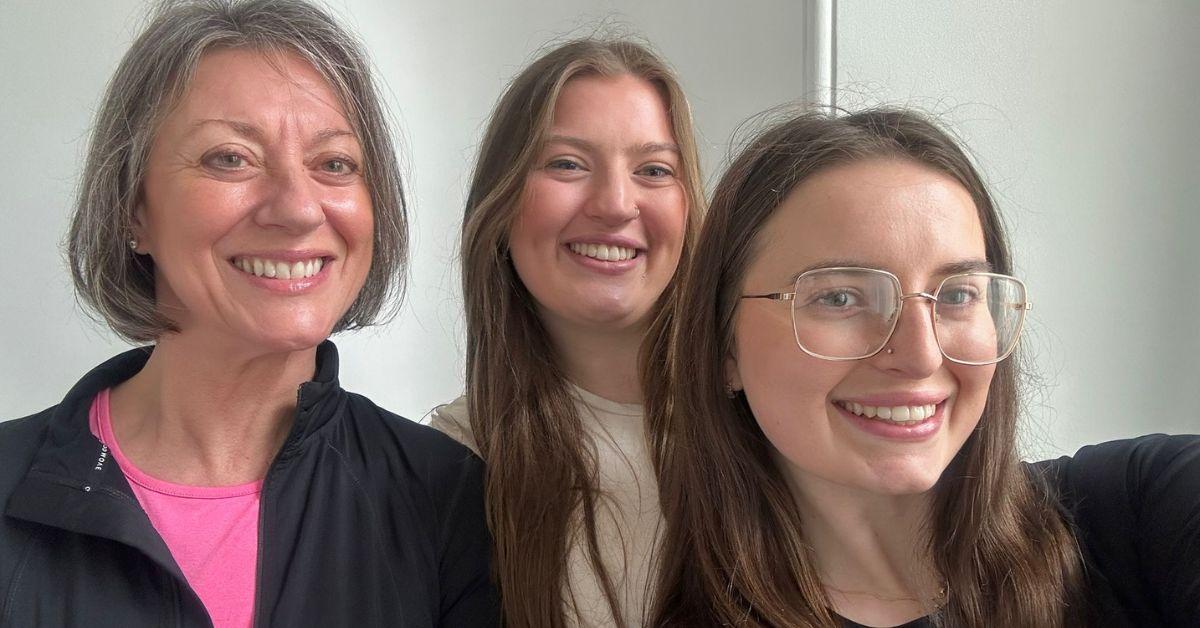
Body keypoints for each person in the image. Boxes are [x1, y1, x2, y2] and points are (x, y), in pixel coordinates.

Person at [0, 1, 496, 626]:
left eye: (334, 164)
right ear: (132, 207)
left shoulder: (447, 498)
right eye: (229, 158)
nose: (297, 208)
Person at [648, 108, 1200, 627]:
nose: (922, 355)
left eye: (957, 294)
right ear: (724, 350)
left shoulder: (1139, 509)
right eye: (840, 298)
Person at [428, 39, 704, 627]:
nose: (614, 204)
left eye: (653, 170)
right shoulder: (450, 464)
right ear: (500, 210)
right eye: (567, 164)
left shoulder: (770, 426)